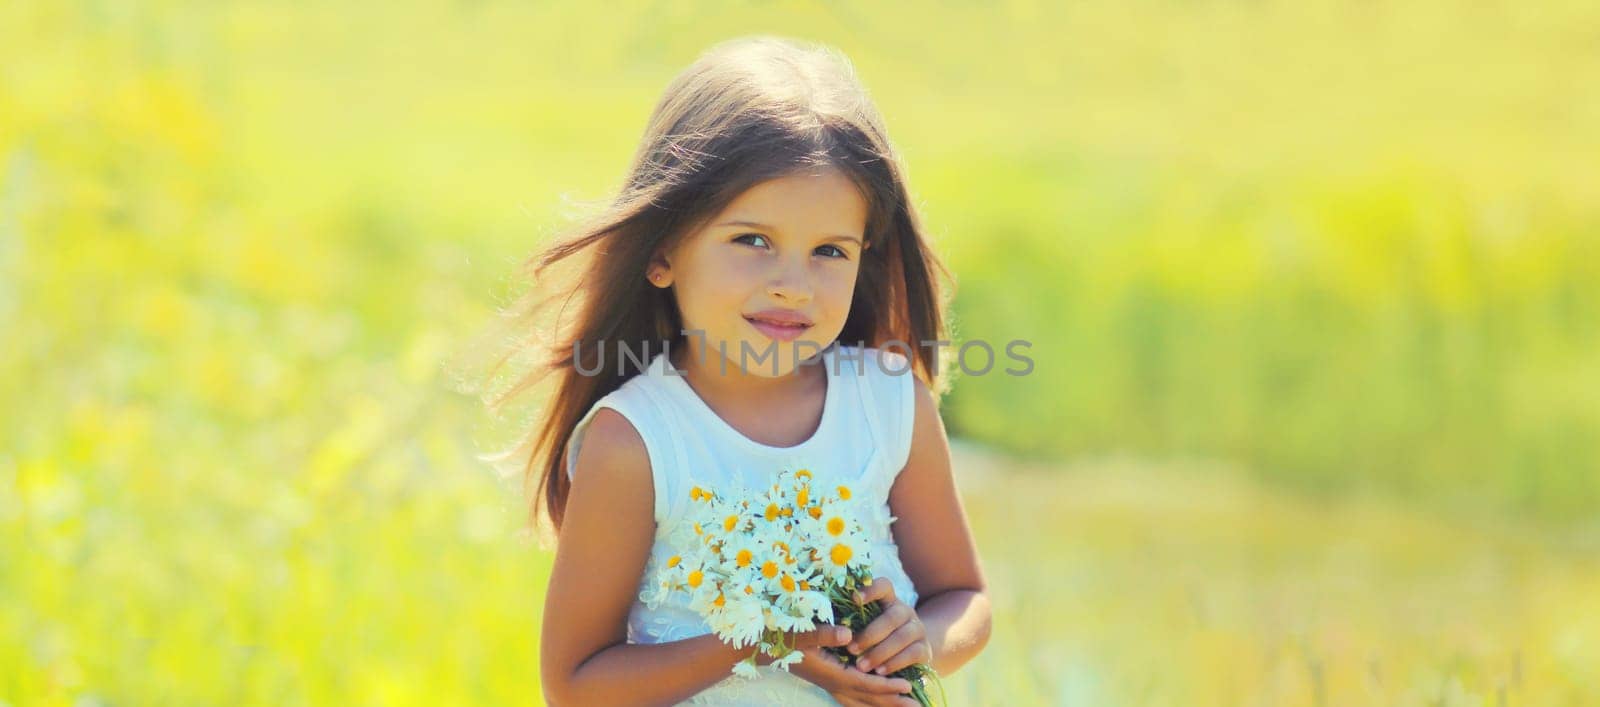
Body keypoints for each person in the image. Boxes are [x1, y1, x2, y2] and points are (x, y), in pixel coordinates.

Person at [511, 35, 991, 705]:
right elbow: (576, 684)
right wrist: (766, 640)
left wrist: (920, 639)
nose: (793, 284)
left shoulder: (890, 405)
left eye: (829, 250)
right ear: (662, 253)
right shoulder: (638, 441)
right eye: (753, 241)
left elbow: (964, 598)